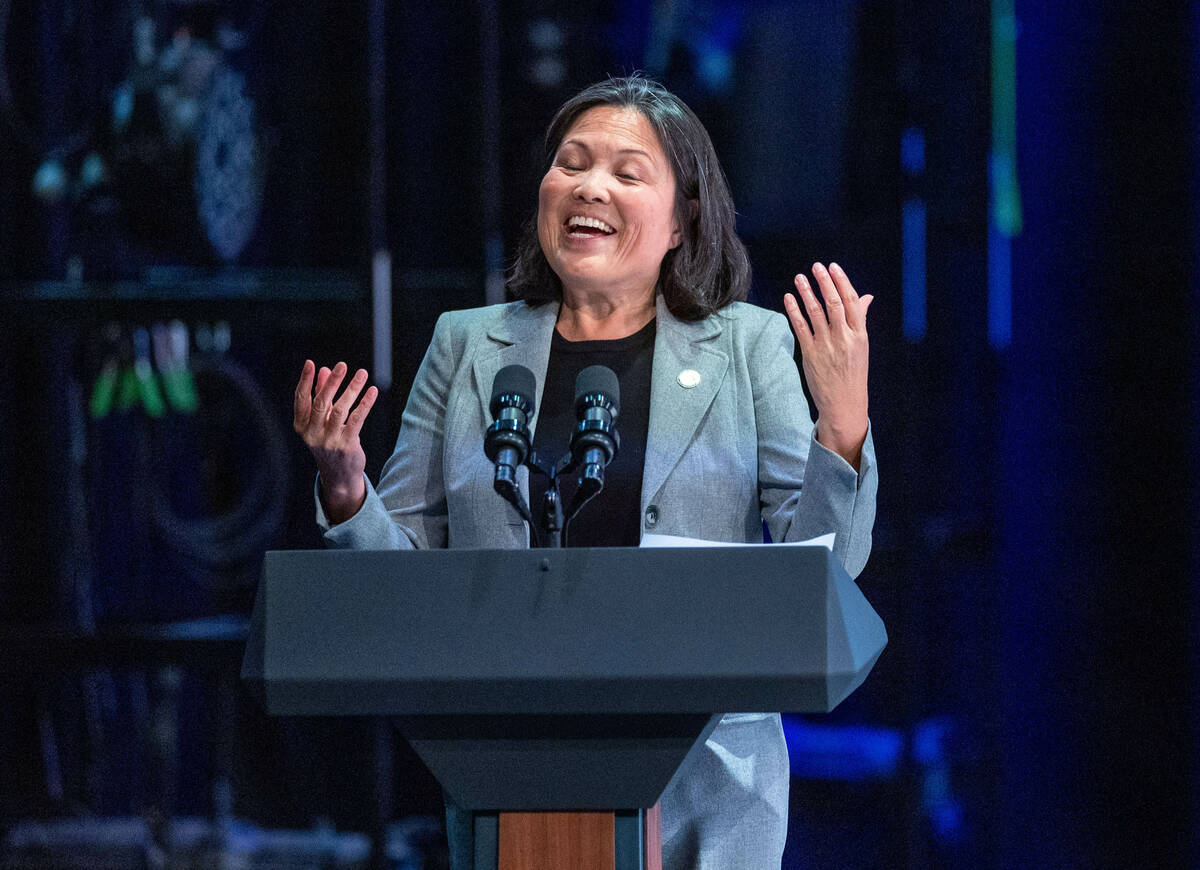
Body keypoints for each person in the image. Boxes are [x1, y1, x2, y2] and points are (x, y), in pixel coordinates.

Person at [293, 75, 876, 869]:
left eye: (627, 172)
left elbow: (826, 573)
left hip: (707, 786)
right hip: (506, 770)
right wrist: (344, 486)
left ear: (684, 217)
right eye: (570, 163)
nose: (588, 186)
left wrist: (841, 428)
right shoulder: (466, 346)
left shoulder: (748, 345)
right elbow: (404, 594)